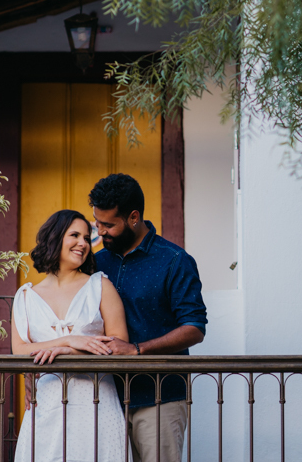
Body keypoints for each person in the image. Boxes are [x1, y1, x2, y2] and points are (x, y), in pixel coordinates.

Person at [89, 173, 208, 462]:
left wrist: (137, 350)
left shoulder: (174, 260)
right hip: (105, 397)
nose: (100, 232)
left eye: (108, 225)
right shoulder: (95, 262)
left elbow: (194, 327)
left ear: (133, 217)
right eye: (97, 222)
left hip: (159, 397)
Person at [11, 209, 131, 462]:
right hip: (47, 405)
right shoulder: (26, 296)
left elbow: (119, 345)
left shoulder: (100, 286)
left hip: (96, 402)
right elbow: (19, 349)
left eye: (87, 238)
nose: (83, 243)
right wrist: (67, 340)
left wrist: (68, 351)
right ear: (54, 238)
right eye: (74, 235)